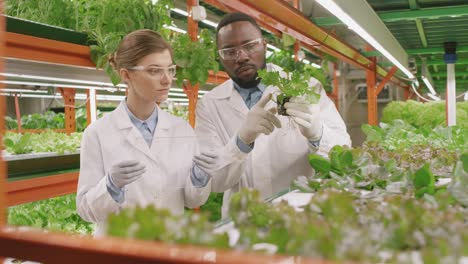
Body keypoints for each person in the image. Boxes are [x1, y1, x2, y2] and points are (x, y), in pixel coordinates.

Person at [193, 13, 351, 217]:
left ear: (264, 45)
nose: (241, 56)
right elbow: (214, 179)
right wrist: (240, 142)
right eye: (229, 51)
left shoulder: (306, 88)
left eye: (249, 45)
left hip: (301, 215)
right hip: (244, 220)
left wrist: (317, 134)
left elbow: (344, 155)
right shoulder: (210, 104)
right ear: (219, 56)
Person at [76, 29, 211, 236]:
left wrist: (199, 179)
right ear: (126, 75)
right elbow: (85, 209)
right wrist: (110, 186)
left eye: (170, 70)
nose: (167, 80)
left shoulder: (182, 129)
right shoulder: (97, 133)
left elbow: (194, 199)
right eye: (155, 70)